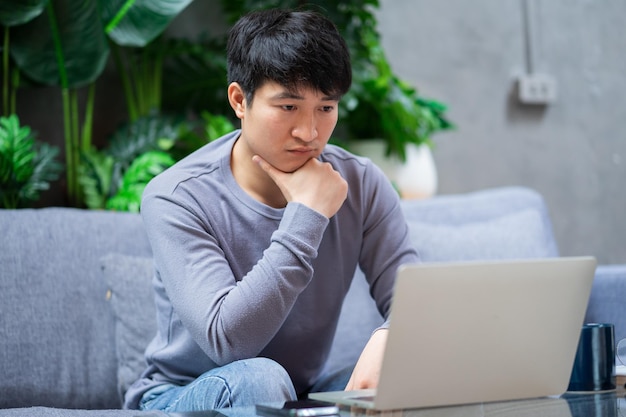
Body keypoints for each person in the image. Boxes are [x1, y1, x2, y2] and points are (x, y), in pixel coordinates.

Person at [124, 8, 419, 413]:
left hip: (294, 395)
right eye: (288, 107)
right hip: (184, 395)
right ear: (239, 100)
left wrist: (394, 336)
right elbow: (228, 341)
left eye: (326, 108)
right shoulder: (177, 197)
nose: (309, 133)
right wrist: (307, 215)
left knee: (400, 378)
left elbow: (414, 300)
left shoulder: (362, 184)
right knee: (261, 378)